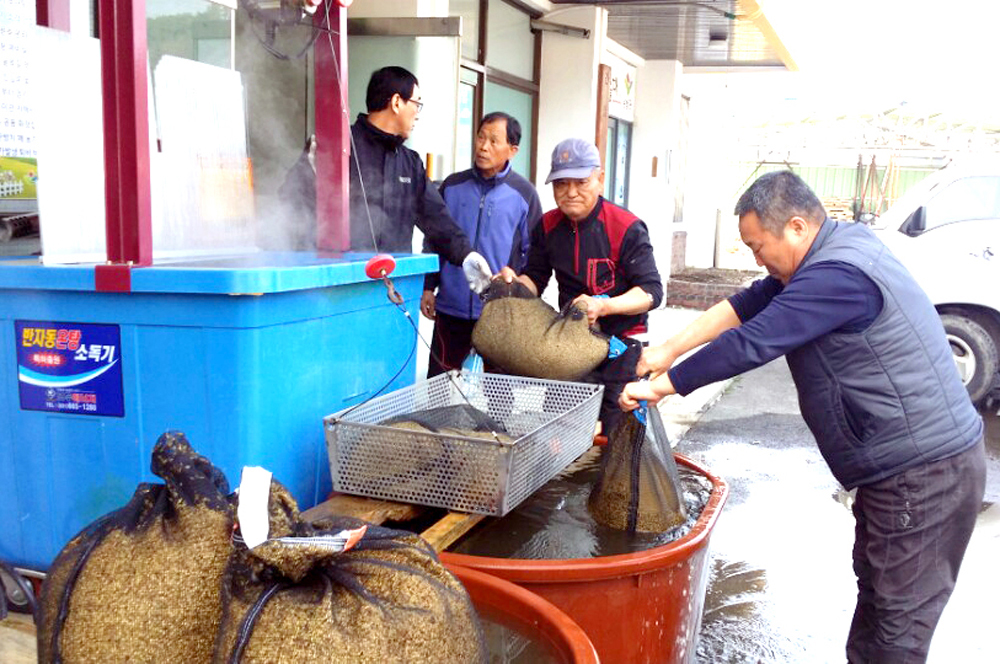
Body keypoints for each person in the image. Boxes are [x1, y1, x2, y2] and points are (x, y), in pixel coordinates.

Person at [620, 170, 986, 663]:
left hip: (924, 475)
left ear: (796, 226)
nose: (757, 259)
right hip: (903, 470)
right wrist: (667, 350)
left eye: (758, 247)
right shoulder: (828, 252)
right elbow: (745, 305)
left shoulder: (839, 276)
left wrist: (662, 386)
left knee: (896, 629)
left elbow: (754, 341)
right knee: (878, 601)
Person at [499, 137, 663, 434]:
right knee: (560, 429)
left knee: (617, 430)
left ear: (600, 180)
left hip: (623, 345)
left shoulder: (626, 227)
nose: (571, 192)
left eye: (581, 182)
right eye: (561, 184)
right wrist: (513, 285)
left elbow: (651, 292)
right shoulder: (547, 225)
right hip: (571, 343)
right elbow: (535, 277)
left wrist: (604, 306)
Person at [278, 66, 490, 285]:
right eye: (416, 104)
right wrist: (308, 174)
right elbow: (290, 208)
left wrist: (466, 255)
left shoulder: (410, 163)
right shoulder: (336, 147)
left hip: (394, 289)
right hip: (338, 287)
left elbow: (437, 219)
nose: (418, 114)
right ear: (397, 102)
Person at [420, 111, 542, 376]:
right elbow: (434, 238)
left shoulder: (525, 194)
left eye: (493, 141)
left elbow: (535, 253)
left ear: (512, 150)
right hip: (450, 307)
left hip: (498, 313)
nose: (483, 146)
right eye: (480, 137)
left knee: (499, 390)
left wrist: (520, 294)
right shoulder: (452, 186)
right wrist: (428, 286)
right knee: (438, 384)